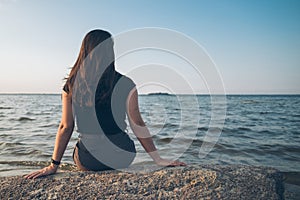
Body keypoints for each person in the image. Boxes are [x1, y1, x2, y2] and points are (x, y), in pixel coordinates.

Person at [25, 29, 186, 179]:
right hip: (122, 156)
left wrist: (53, 165)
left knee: (79, 148)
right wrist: (157, 159)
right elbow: (137, 123)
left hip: (89, 160)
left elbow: (66, 127)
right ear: (110, 52)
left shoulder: (72, 85)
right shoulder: (126, 83)